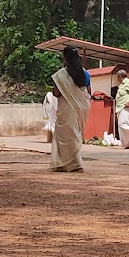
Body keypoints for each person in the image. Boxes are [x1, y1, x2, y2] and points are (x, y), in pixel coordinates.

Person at [50, 44, 91, 173]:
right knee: (75, 134)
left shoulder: (61, 75)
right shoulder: (85, 73)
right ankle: (70, 164)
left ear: (65, 58)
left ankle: (73, 164)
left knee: (64, 136)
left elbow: (56, 93)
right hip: (82, 107)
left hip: (67, 107)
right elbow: (89, 91)